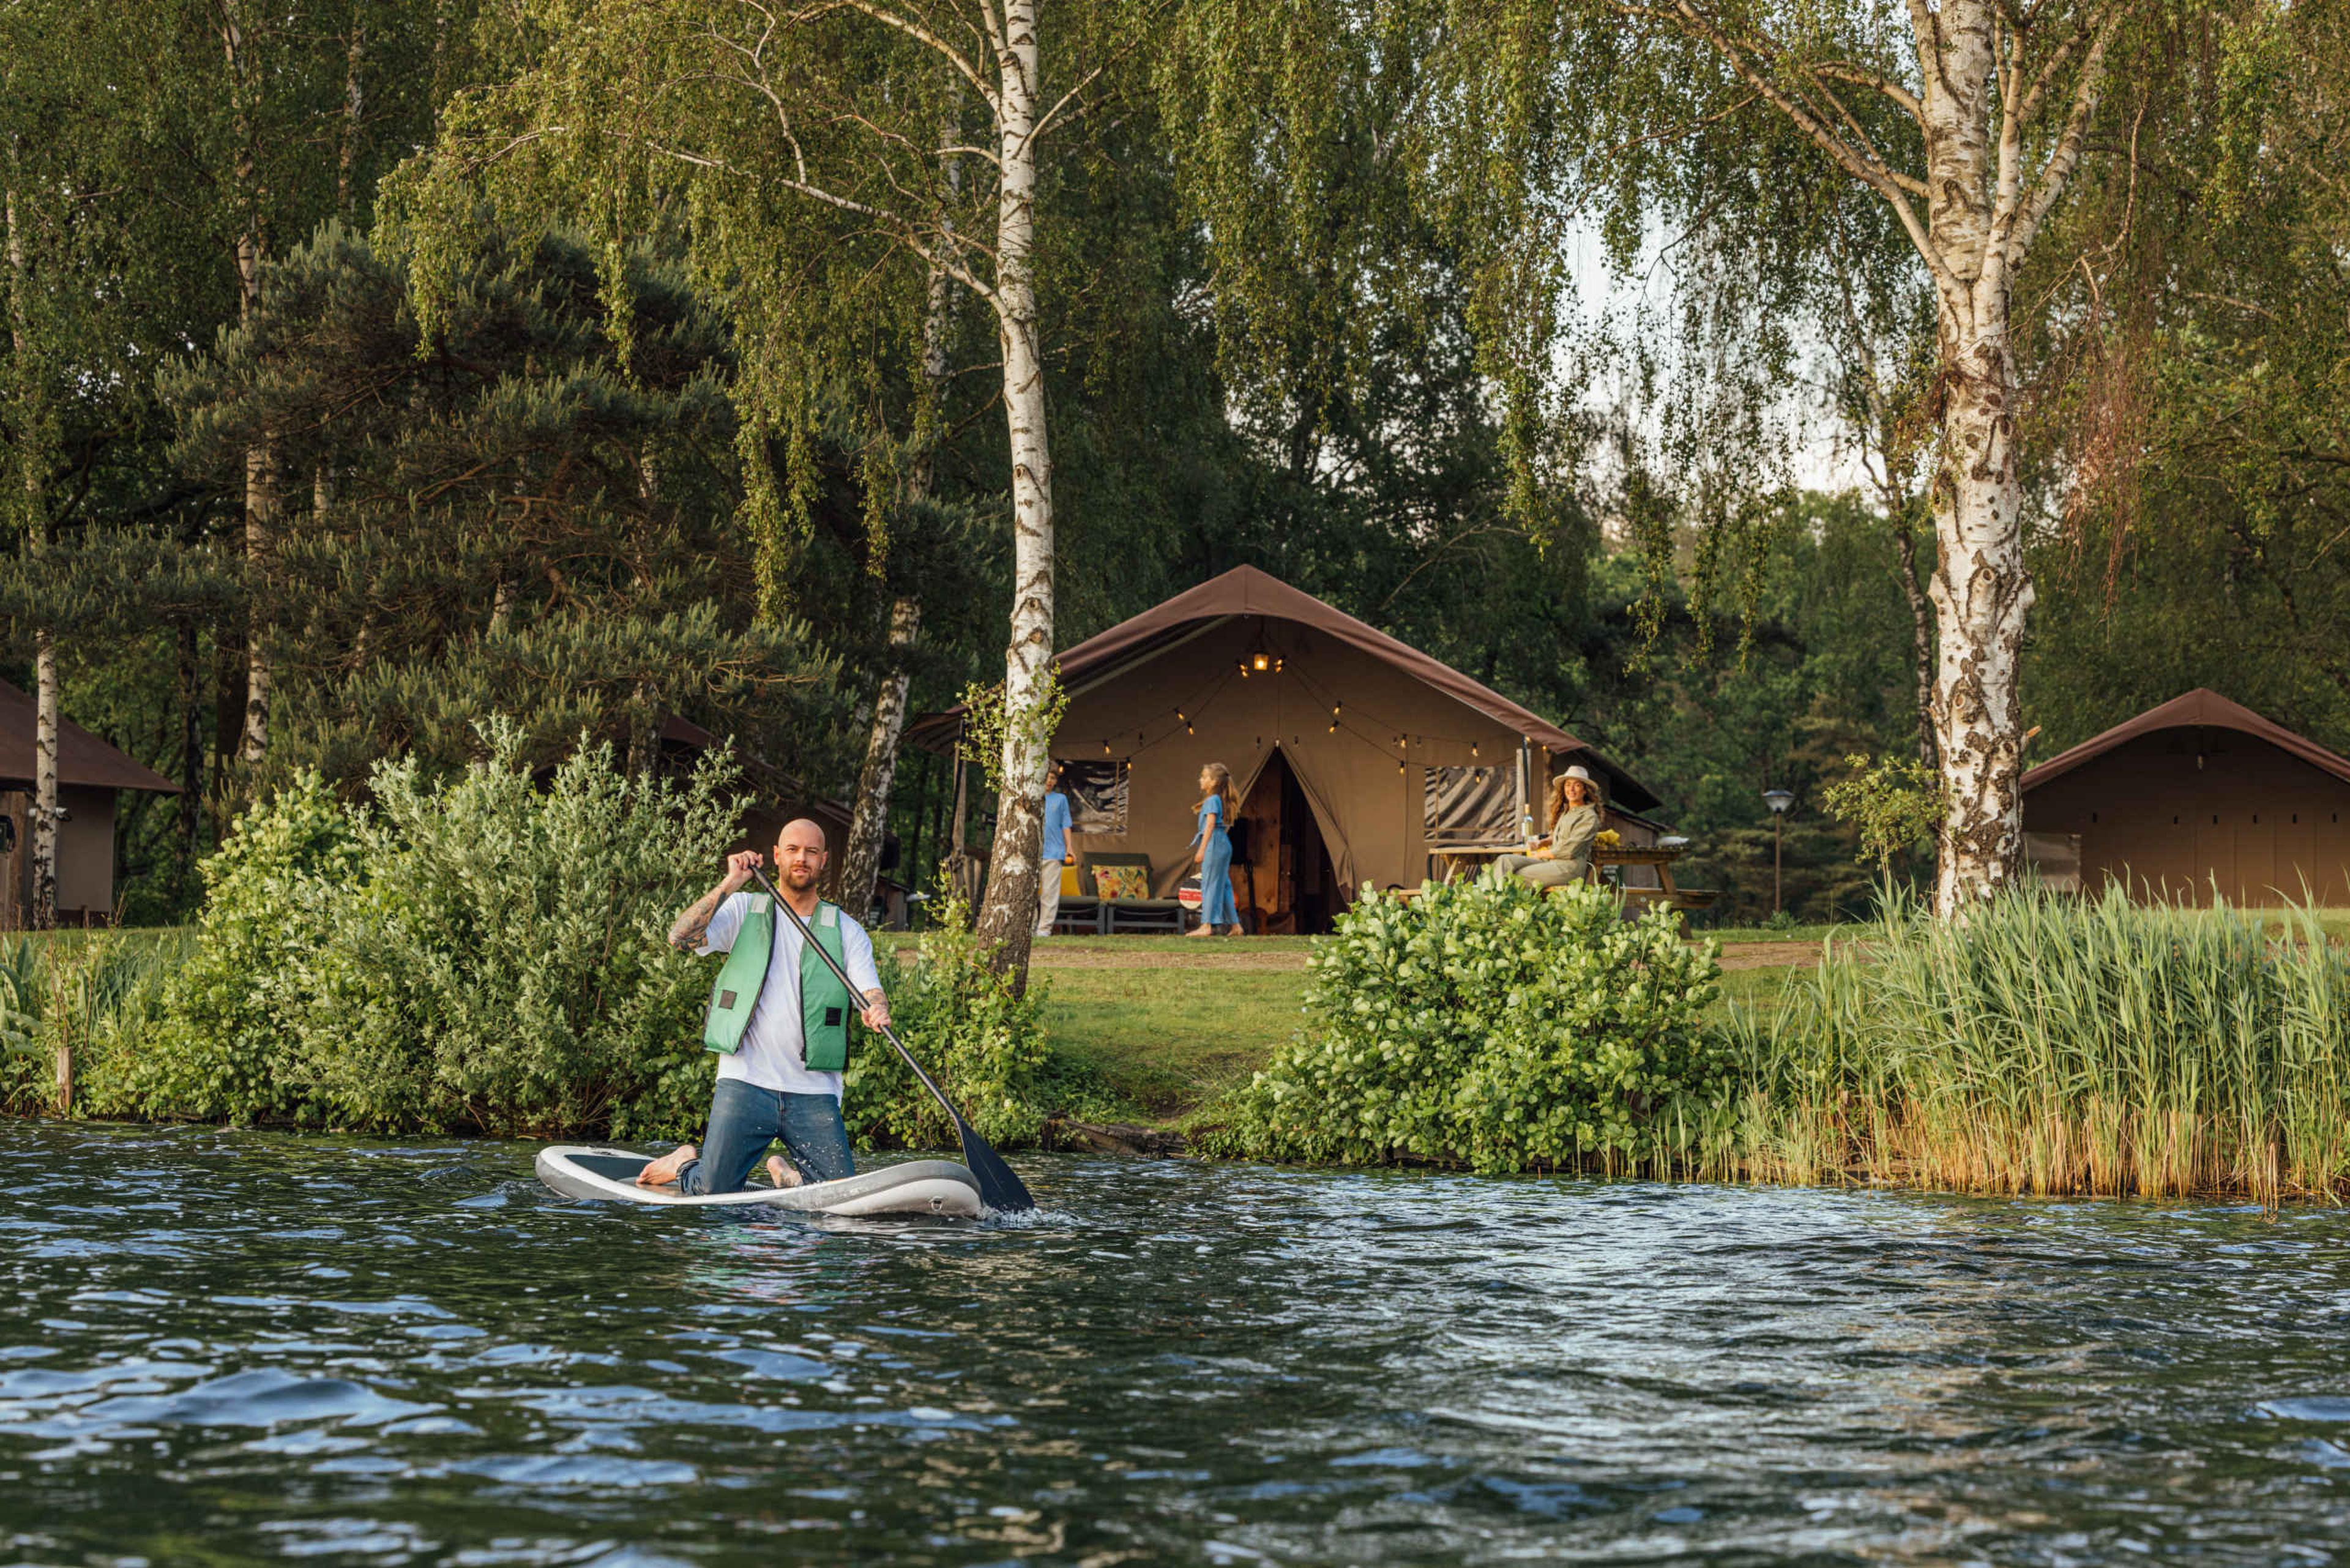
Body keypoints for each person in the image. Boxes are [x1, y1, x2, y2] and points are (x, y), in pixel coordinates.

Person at [635, 818, 890, 1194]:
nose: (801, 859)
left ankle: (787, 1175)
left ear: (824, 861)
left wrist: (878, 1008)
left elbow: (871, 991)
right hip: (746, 1083)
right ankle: (685, 1161)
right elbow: (679, 937)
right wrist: (731, 882)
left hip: (814, 1090)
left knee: (838, 1198)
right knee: (712, 1191)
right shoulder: (743, 910)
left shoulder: (847, 930)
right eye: (792, 850)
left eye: (811, 852)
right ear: (776, 856)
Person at [1494, 765, 1605, 890]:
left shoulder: (1589, 817)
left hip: (1568, 868)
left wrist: (1541, 854)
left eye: (1577, 785)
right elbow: (1561, 836)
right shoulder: (1567, 812)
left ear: (1585, 791)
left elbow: (1570, 850)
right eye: (1568, 785)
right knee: (1504, 861)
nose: (1572, 789)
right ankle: (1495, 898)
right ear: (1564, 789)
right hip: (1552, 863)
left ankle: (1497, 904)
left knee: (1517, 875)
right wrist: (1542, 842)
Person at [1188, 762, 1241, 936]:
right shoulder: (1217, 800)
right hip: (1223, 843)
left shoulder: (1212, 800)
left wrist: (1201, 850)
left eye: (1204, 777)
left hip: (1214, 844)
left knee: (1209, 883)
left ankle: (1206, 925)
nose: (1200, 780)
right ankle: (1236, 926)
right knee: (1224, 885)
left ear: (1213, 782)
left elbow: (1210, 825)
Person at [1035, 765, 1073, 938]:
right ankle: (1029, 926)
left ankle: (1044, 929)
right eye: (1046, 778)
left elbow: (1066, 824)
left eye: (1052, 778)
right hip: (1033, 853)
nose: (1049, 782)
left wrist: (1069, 848)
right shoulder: (1033, 797)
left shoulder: (1061, 799)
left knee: (1049, 893)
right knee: (1029, 894)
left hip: (1054, 852)